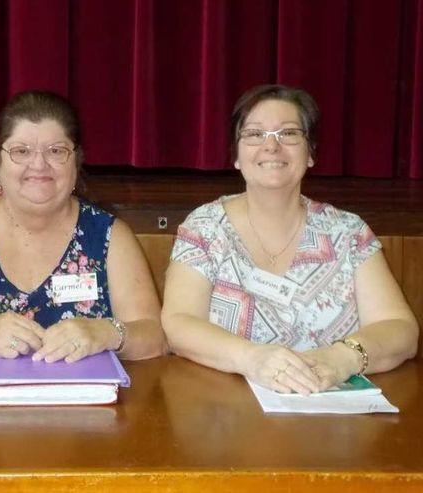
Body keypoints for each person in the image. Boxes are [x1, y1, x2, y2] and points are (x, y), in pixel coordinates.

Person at [162, 84, 418, 394]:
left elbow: (401, 330)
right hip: (228, 415)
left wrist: (341, 358)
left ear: (311, 153)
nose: (271, 147)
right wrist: (252, 358)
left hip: (333, 417)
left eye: (288, 133)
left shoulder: (349, 233)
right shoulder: (204, 228)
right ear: (236, 156)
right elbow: (179, 323)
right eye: (255, 134)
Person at [0, 90, 167, 362]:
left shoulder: (109, 236)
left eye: (56, 151)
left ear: (76, 160)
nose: (38, 164)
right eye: (21, 151)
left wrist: (108, 333)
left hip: (85, 404)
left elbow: (155, 338)